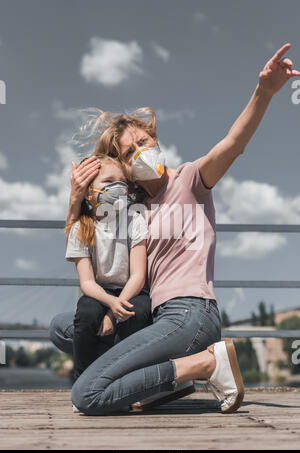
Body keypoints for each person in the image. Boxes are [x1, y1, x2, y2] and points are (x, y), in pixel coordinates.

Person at [50, 43, 299, 415]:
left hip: (189, 314)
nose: (141, 152)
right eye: (130, 152)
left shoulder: (190, 181)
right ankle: (160, 384)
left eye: (144, 142)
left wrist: (264, 91)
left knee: (87, 395)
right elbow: (85, 243)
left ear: (156, 140)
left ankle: (205, 364)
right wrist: (75, 199)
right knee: (62, 326)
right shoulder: (131, 209)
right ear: (124, 167)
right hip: (149, 316)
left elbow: (233, 144)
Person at [64, 154, 153, 381]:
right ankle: (83, 381)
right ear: (89, 191)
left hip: (130, 290)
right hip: (99, 292)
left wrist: (114, 313)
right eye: (108, 181)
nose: (117, 186)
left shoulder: (135, 221)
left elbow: (138, 276)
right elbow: (87, 283)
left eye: (122, 181)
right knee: (86, 314)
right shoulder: (81, 228)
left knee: (139, 311)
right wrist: (109, 303)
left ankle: (128, 379)